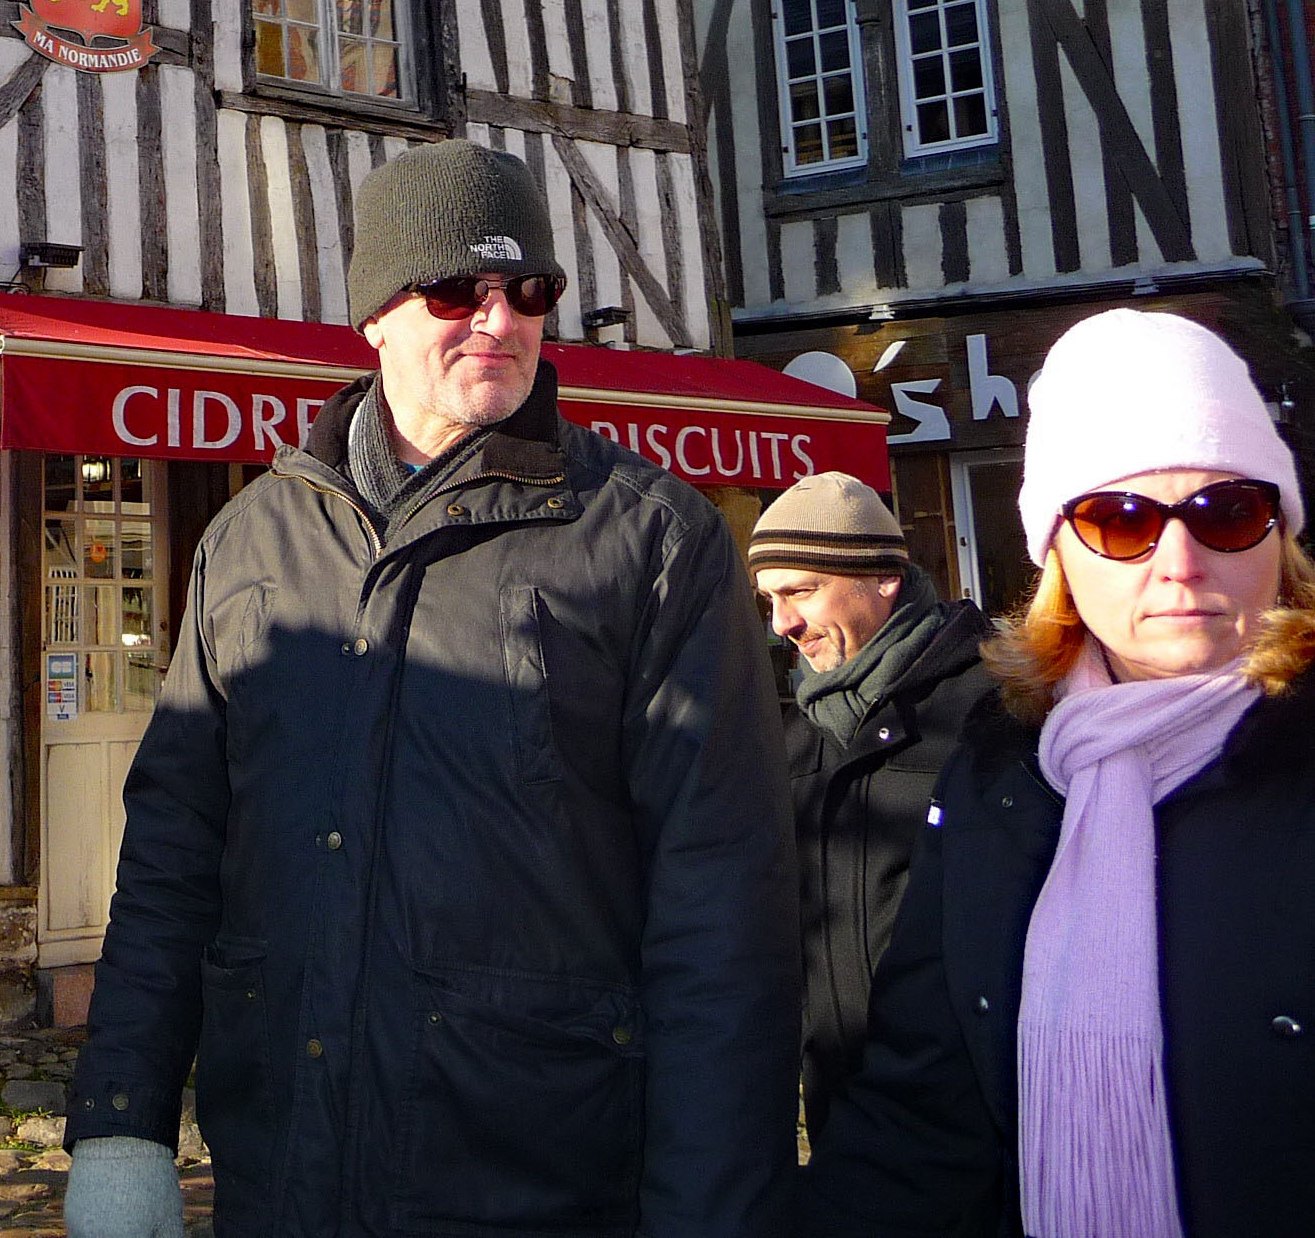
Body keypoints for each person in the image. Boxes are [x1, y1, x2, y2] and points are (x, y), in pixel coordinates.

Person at [64, 139, 800, 1238]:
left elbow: (723, 914)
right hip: (284, 1173)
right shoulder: (250, 542)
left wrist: (710, 1213)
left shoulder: (652, 542)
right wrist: (121, 1124)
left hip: (541, 1179)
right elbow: (174, 854)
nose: (497, 320)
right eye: (458, 288)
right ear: (375, 314)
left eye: (530, 290)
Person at [803, 309, 1315, 1237]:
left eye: (1227, 512)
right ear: (1059, 558)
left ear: (1281, 538)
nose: (1179, 562)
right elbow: (921, 1115)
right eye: (1119, 519)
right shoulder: (1001, 774)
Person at [751, 473, 994, 1141]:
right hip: (841, 1117)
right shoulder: (792, 734)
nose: (782, 625)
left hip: (978, 1122)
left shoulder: (996, 711)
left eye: (800, 592)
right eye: (769, 599)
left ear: (884, 577)